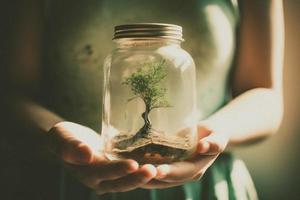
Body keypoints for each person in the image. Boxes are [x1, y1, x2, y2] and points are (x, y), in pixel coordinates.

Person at [0, 0, 284, 199]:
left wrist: (216, 132)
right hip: (58, 182)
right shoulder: (118, 57)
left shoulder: (179, 58)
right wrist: (55, 134)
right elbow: (11, 94)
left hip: (207, 186)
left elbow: (265, 95)